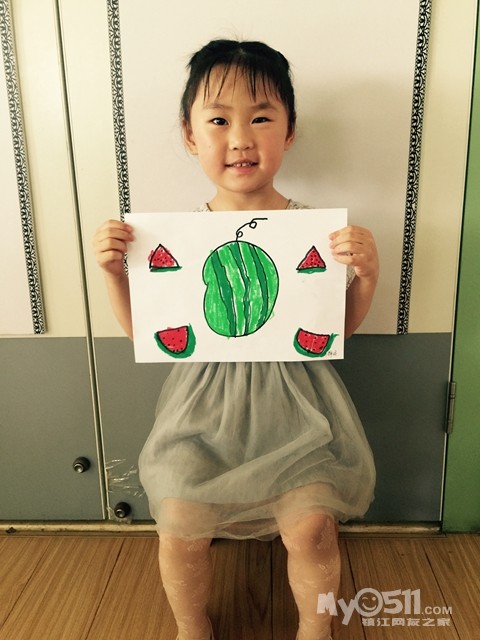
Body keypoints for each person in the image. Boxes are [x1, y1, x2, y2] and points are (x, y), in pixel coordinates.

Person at [94, 39, 379, 640]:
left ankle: (316, 630)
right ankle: (191, 626)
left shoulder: (314, 231)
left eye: (262, 118)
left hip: (297, 408)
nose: (241, 138)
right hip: (201, 412)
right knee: (178, 525)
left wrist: (367, 277)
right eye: (219, 120)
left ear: (290, 131)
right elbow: (147, 333)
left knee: (312, 530)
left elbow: (334, 331)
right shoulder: (172, 237)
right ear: (190, 135)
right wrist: (118, 275)